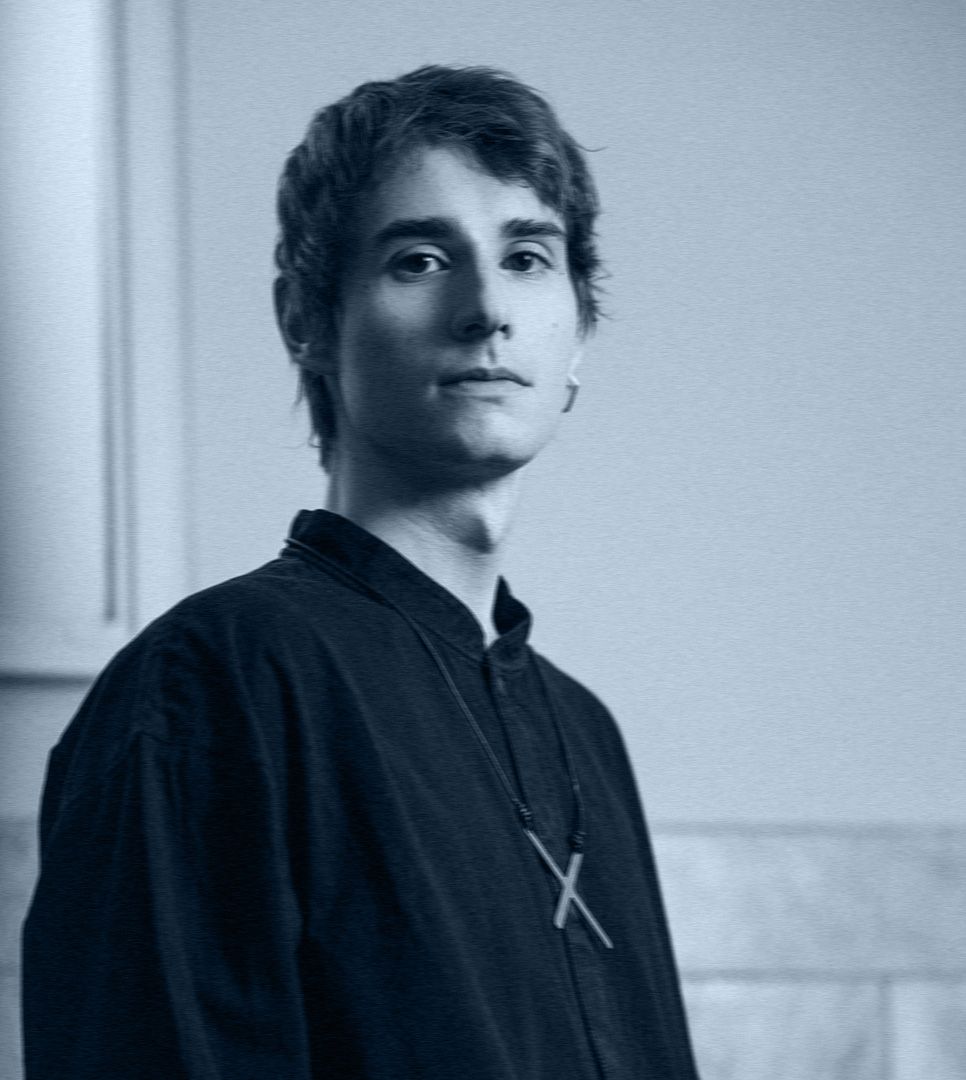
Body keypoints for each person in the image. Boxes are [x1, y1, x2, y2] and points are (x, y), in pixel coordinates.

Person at [22, 65, 700, 1079]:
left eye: (526, 257)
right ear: (305, 318)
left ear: (578, 338)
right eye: (421, 260)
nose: (486, 309)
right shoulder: (217, 680)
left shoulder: (583, 730)